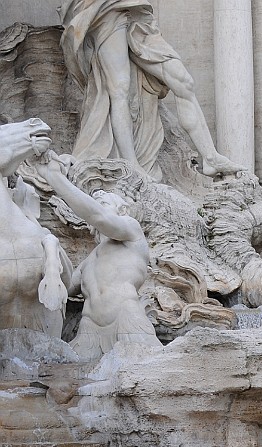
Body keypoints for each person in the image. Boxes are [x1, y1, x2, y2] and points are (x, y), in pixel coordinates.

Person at [58, 0, 241, 178]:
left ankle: (210, 157)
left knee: (184, 82)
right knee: (119, 89)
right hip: (104, 10)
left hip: (138, 13)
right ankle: (132, 165)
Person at [39, 151, 162, 361]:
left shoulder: (132, 234)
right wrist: (50, 248)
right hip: (89, 328)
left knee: (146, 373)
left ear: (122, 210)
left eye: (104, 202)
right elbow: (62, 289)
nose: (98, 203)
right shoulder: (89, 261)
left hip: (125, 318)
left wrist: (55, 178)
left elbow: (98, 216)